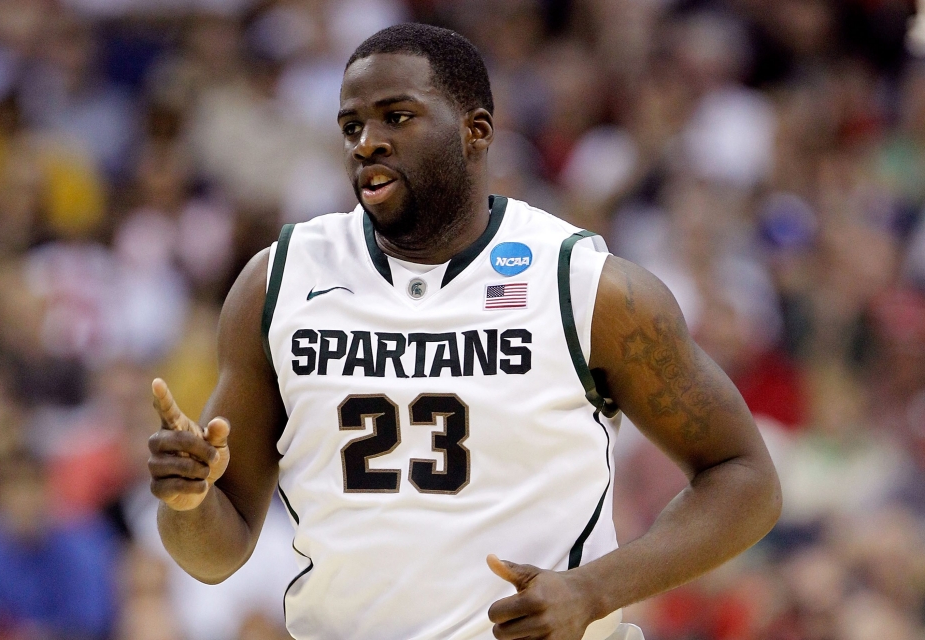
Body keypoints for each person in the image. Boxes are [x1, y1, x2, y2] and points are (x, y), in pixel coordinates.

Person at [147, 23, 781, 640]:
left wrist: (594, 591)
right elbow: (214, 555)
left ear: (476, 131)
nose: (367, 142)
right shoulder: (277, 283)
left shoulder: (586, 286)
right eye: (351, 126)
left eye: (397, 117)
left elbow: (745, 479)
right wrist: (188, 501)